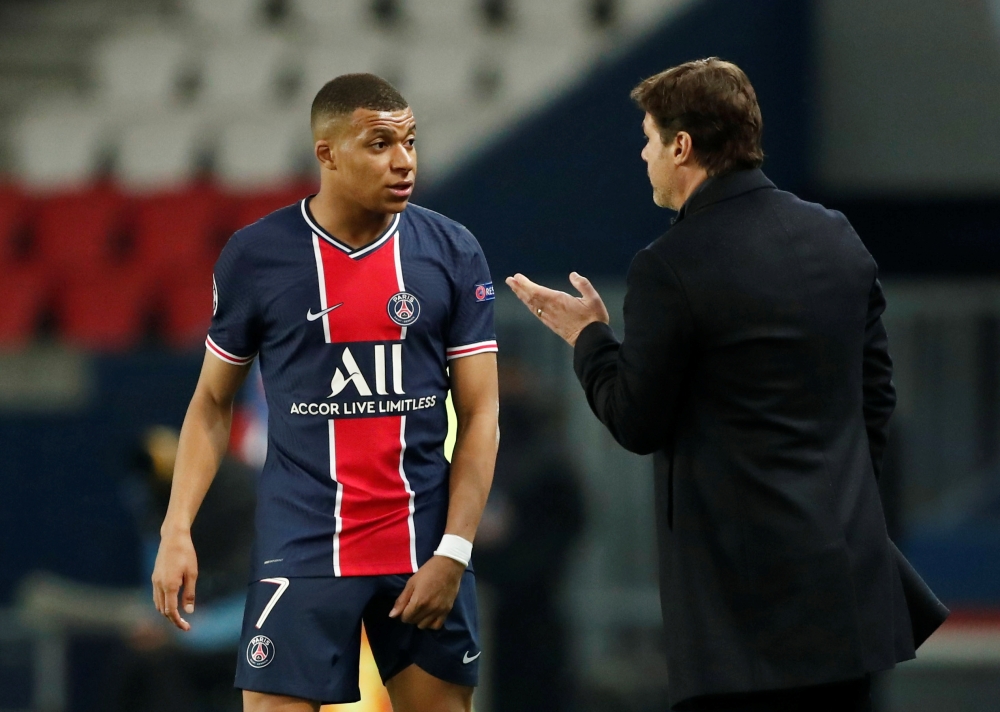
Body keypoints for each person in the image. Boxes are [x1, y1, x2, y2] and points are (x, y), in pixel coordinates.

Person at [506, 58, 947, 711]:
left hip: (740, 617)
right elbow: (874, 403)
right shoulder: (837, 237)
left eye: (651, 137)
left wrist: (590, 339)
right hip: (846, 591)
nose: (643, 152)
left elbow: (635, 419)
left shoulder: (670, 266)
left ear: (682, 147)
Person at [151, 73, 500, 712]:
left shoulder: (452, 251)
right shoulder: (258, 256)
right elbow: (211, 403)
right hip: (303, 549)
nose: (403, 161)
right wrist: (178, 528)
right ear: (327, 153)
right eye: (379, 144)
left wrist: (454, 549)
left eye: (411, 142)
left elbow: (481, 412)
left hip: (422, 547)